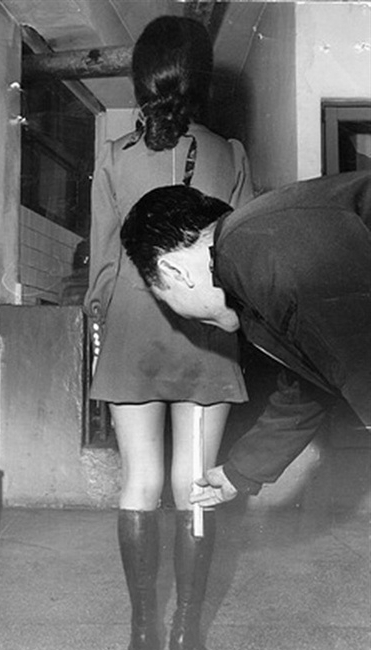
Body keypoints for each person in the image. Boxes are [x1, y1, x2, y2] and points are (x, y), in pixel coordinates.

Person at [84, 16, 254, 650]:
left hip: (132, 328)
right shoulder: (231, 154)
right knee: (196, 488)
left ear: (142, 77)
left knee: (140, 484)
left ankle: (143, 631)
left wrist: (108, 318)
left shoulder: (116, 156)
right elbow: (238, 258)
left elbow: (101, 268)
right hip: (205, 334)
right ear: (202, 77)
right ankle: (187, 635)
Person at [120, 171, 371, 508]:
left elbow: (359, 360)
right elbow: (312, 379)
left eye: (165, 300)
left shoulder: (256, 254)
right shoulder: (254, 250)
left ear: (173, 273)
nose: (184, 320)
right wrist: (240, 472)